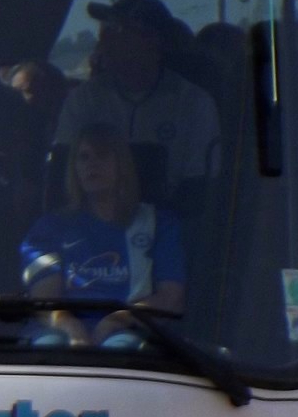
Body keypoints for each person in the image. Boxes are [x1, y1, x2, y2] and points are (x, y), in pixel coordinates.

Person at [18, 121, 184, 340]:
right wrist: (72, 329)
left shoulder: (158, 224)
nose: (91, 164)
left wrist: (118, 320)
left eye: (102, 155)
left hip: (131, 329)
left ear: (122, 165)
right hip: (61, 332)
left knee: (121, 348)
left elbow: (170, 299)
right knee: (52, 345)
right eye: (84, 157)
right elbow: (45, 303)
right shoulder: (49, 228)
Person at [53, 0, 220, 196]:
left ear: (152, 40)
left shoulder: (194, 104)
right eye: (104, 29)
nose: (103, 40)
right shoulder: (84, 99)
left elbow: (199, 188)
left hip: (168, 220)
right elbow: (63, 174)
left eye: (116, 30)